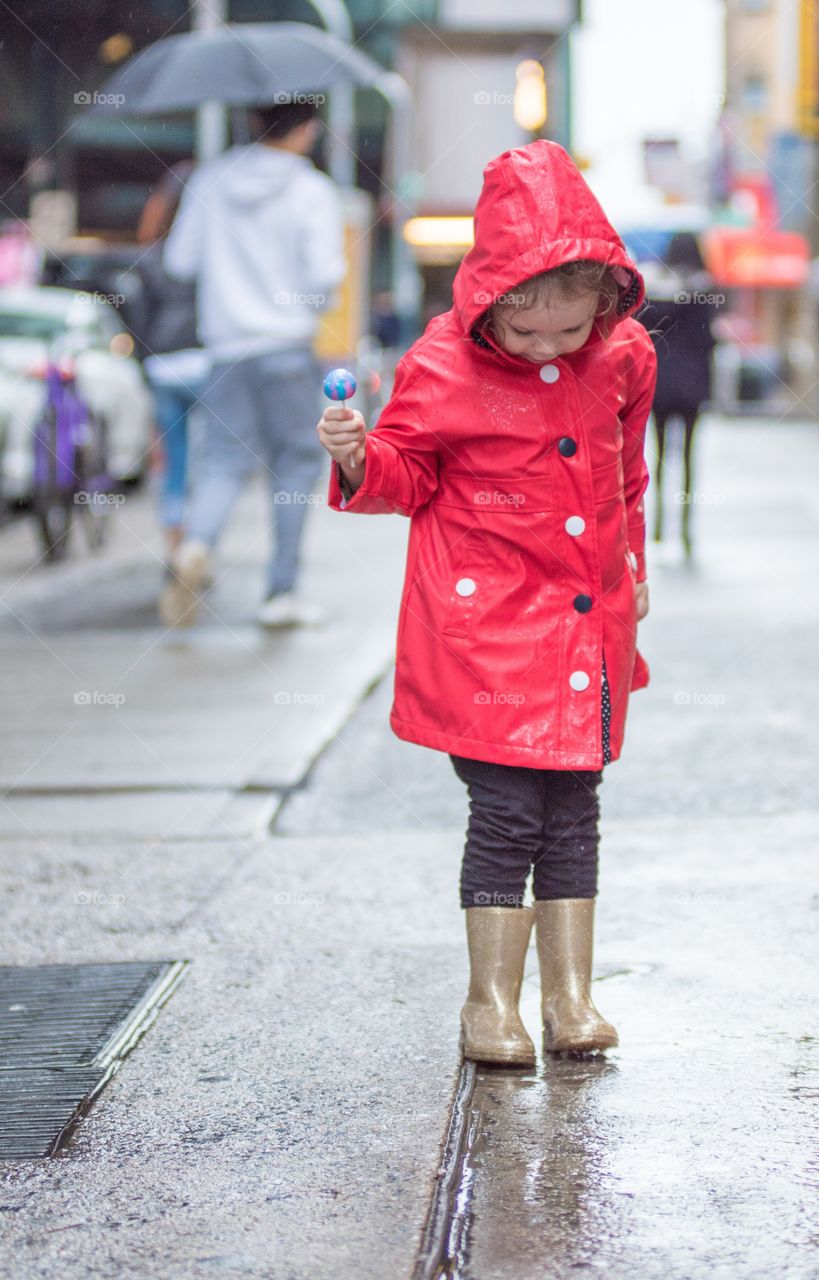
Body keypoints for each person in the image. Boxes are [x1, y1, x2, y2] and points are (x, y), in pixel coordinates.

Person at [317, 140, 657, 1066]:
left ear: (604, 300)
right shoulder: (440, 363)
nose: (547, 349)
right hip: (486, 630)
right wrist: (358, 457)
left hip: (585, 621)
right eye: (524, 333)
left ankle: (570, 997)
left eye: (568, 331)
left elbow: (625, 475)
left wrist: (633, 562)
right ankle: (488, 1005)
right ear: (489, 302)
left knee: (574, 808)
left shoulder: (624, 356)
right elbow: (405, 475)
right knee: (507, 814)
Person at [159, 100, 346, 628]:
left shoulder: (210, 180)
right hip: (286, 346)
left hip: (225, 350)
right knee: (294, 465)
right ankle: (280, 594)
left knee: (222, 461)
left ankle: (196, 543)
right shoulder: (311, 189)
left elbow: (179, 262)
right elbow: (324, 274)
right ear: (305, 130)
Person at [135, 161, 209, 558]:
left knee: (173, 461)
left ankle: (174, 538)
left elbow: (139, 322)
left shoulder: (151, 257)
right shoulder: (211, 255)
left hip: (163, 367)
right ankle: (199, 541)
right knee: (207, 460)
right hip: (206, 363)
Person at [638, 231, 720, 561]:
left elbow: (643, 333)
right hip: (693, 386)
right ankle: (685, 527)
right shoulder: (705, 291)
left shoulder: (655, 290)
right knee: (688, 455)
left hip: (659, 383)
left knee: (658, 453)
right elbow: (709, 341)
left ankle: (658, 524)